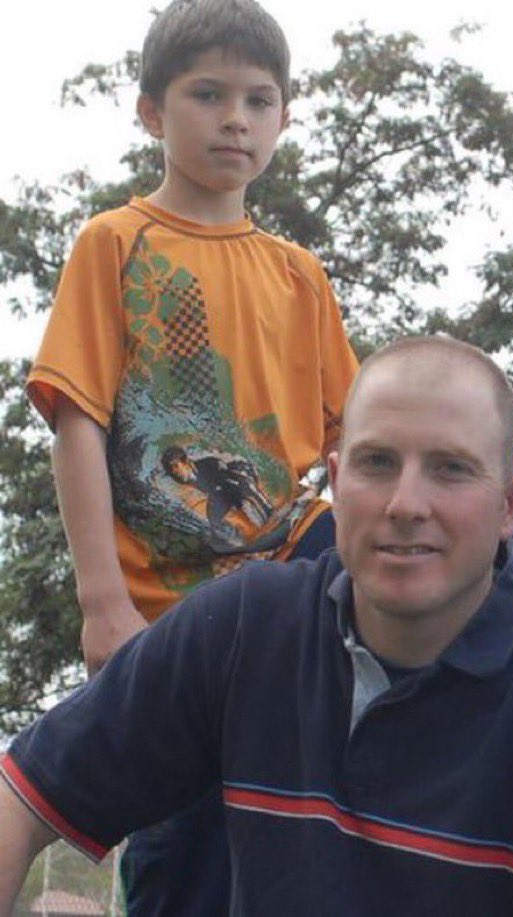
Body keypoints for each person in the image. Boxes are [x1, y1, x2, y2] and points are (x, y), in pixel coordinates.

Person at [0, 335, 513, 917]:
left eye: (449, 469)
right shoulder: (244, 625)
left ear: (510, 506)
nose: (405, 503)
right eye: (377, 462)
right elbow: (22, 793)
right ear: (333, 481)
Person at [24, 0, 359, 912]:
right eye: (207, 95)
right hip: (170, 611)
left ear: (284, 119)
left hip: (291, 580)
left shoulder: (299, 274)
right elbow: (78, 420)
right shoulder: (115, 245)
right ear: (150, 113)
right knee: (185, 844)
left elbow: (353, 440)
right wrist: (102, 603)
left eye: (258, 99)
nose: (235, 119)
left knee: (304, 820)